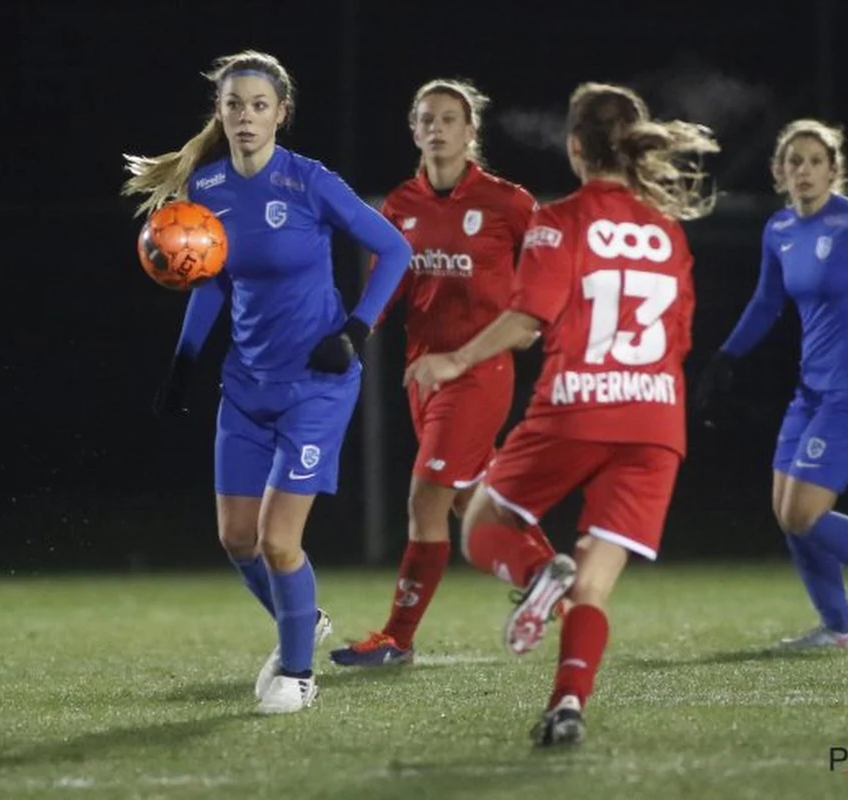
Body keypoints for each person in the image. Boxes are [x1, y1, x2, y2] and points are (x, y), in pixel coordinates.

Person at [407, 82, 719, 745]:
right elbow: (681, 339)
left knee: (485, 522)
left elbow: (524, 322)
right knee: (596, 584)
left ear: (574, 146)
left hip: (576, 408)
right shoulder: (667, 230)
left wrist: (455, 361)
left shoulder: (561, 219)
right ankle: (567, 705)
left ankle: (535, 575)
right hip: (657, 421)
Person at [121, 50, 411, 713]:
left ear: (282, 113)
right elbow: (213, 282)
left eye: (258, 105)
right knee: (237, 540)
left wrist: (357, 331)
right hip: (246, 388)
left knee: (281, 541)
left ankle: (299, 677)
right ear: (218, 114)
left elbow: (395, 249)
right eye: (233, 105)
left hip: (316, 382)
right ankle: (301, 620)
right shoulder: (209, 190)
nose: (245, 117)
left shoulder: (309, 182)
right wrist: (182, 363)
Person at [694, 118, 848, 650]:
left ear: (834, 170)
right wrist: (726, 357)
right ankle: (837, 629)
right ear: (778, 173)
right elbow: (767, 302)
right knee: (787, 514)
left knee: (804, 513)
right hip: (811, 389)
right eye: (793, 162)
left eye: (814, 161)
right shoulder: (780, 230)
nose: (803, 170)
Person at [328, 79, 541, 668]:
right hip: (423, 377)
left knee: (425, 501)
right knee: (471, 503)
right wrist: (348, 334)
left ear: (472, 131)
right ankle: (552, 580)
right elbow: (385, 292)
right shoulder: (399, 207)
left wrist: (540, 321)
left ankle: (398, 638)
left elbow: (552, 269)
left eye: (451, 118)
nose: (438, 128)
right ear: (414, 130)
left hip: (479, 373)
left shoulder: (508, 202)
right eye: (427, 119)